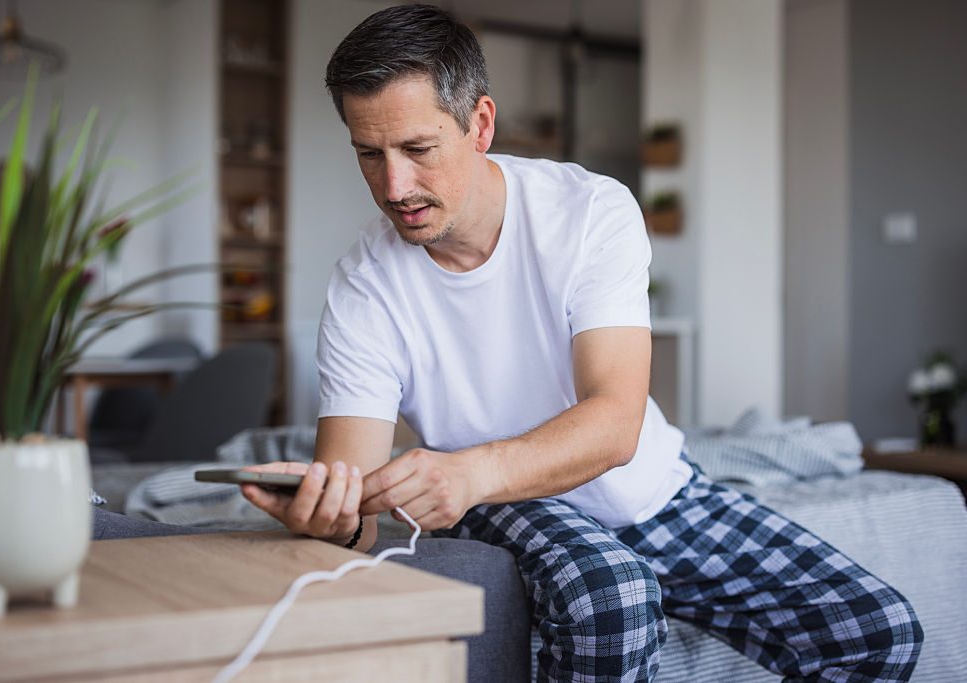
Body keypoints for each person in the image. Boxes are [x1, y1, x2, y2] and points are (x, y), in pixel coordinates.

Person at [241, 4, 922, 681]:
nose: (394, 186)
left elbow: (615, 423)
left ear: (480, 124)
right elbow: (353, 501)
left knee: (878, 629)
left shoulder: (590, 211)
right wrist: (329, 517)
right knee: (614, 596)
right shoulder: (364, 287)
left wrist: (467, 470)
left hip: (648, 490)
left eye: (418, 150)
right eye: (370, 153)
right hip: (505, 504)